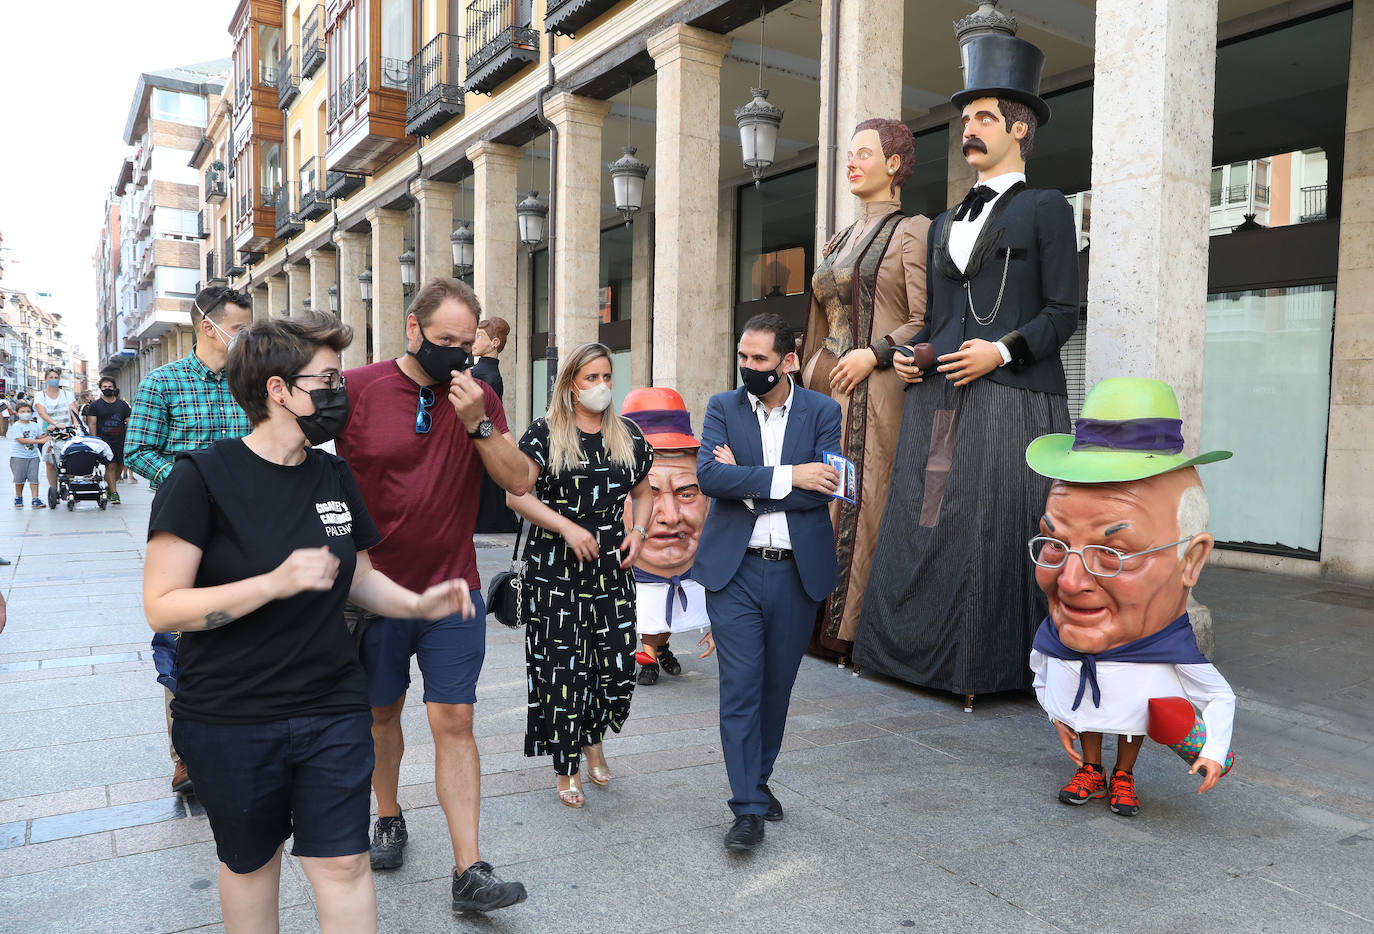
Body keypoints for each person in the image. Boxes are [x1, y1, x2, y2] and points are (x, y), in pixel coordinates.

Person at [144, 312, 477, 934]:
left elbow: (359, 575)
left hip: (330, 705)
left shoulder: (332, 475)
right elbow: (163, 604)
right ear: (277, 389)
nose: (339, 392)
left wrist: (420, 602)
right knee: (251, 865)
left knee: (344, 864)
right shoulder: (202, 477)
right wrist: (271, 584)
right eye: (326, 379)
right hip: (232, 714)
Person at [857, 29, 1079, 709]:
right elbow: (936, 323)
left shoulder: (1047, 209)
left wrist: (1002, 349)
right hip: (941, 396)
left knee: (1001, 529)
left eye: (983, 118)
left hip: (1015, 395)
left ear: (1018, 128)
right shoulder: (948, 219)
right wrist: (910, 356)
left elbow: (1063, 311)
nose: (968, 129)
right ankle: (912, 655)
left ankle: (991, 669)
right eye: (965, 119)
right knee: (931, 521)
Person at [334, 277, 531, 913]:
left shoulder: (477, 395)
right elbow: (308, 468)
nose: (456, 354)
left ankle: (468, 867)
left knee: (456, 719)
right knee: (381, 713)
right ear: (413, 330)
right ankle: (388, 815)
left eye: (465, 344)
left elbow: (519, 480)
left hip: (454, 586)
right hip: (376, 593)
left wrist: (477, 421)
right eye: (444, 341)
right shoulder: (359, 389)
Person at [1025, 378, 1237, 816]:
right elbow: (1044, 665)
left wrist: (1214, 749)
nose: (1069, 581)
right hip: (1079, 708)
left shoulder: (1167, 649)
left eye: (1112, 552)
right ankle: (1091, 767)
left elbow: (1218, 697)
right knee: (1087, 710)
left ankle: (1122, 773)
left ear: (1191, 560)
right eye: (1054, 543)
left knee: (1130, 718)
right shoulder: (1059, 632)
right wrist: (1056, 712)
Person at [694, 313, 842, 852]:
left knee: (775, 689)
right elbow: (710, 478)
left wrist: (749, 483)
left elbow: (828, 487)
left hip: (796, 573)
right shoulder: (722, 407)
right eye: (743, 358)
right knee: (739, 688)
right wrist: (789, 476)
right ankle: (747, 809)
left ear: (789, 360)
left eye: (759, 359)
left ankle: (758, 779)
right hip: (734, 572)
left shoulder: (824, 411)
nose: (748, 368)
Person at [799, 118, 930, 662]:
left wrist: (873, 353)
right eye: (849, 154)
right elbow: (816, 320)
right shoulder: (837, 239)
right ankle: (806, 618)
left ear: (894, 165)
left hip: (872, 391)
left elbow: (926, 319)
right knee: (817, 495)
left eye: (864, 154)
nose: (851, 162)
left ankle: (845, 629)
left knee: (858, 498)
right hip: (822, 389)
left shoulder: (913, 231)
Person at [507, 342, 654, 808]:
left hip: (612, 568)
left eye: (608, 377)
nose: (603, 387)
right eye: (592, 378)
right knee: (561, 669)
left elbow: (645, 492)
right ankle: (567, 765)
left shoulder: (627, 434)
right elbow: (516, 495)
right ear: (571, 385)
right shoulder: (545, 433)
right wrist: (567, 527)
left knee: (615, 667)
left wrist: (640, 530)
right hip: (555, 571)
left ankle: (593, 736)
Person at [127, 284, 254, 795]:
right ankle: (187, 756)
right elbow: (138, 451)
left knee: (246, 629)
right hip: (186, 533)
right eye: (241, 328)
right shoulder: (164, 383)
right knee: (184, 639)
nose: (247, 337)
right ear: (210, 327)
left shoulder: (253, 383)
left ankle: (245, 741)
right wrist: (190, 489)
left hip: (248, 529)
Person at [620, 387, 714, 686]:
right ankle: (647, 657)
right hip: (634, 562)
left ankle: (660, 647)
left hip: (684, 570)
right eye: (649, 494)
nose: (670, 516)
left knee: (671, 606)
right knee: (647, 607)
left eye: (687, 493)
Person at [472, 316, 518, 533]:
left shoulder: (488, 377)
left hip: (480, 437)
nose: (474, 341)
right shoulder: (481, 373)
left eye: (479, 336)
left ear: (495, 343)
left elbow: (490, 418)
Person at [85, 377, 131, 504]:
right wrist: (94, 440)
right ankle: (115, 493)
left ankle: (110, 488)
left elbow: (129, 421)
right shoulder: (95, 405)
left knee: (120, 467)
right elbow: (92, 424)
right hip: (104, 441)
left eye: (110, 387)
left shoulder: (122, 405)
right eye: (104, 387)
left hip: (120, 440)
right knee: (110, 466)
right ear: (100, 388)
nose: (107, 389)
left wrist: (130, 438)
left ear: (114, 388)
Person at [34, 368, 76, 503]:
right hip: (48, 433)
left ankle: (69, 488)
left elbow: (73, 409)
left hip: (67, 432)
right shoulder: (40, 395)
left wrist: (76, 422)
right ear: (46, 379)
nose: (54, 379)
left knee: (69, 461)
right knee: (50, 463)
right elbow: (41, 412)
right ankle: (54, 490)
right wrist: (55, 423)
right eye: (51, 377)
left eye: (56, 377)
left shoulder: (66, 394)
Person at [9, 401, 48, 508]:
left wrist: (47, 433)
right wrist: (38, 442)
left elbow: (40, 436)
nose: (26, 413)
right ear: (17, 413)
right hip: (19, 456)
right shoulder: (17, 425)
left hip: (33, 456)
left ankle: (35, 499)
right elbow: (21, 440)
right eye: (22, 411)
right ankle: (18, 497)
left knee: (34, 479)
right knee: (19, 479)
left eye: (28, 411)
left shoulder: (34, 425)